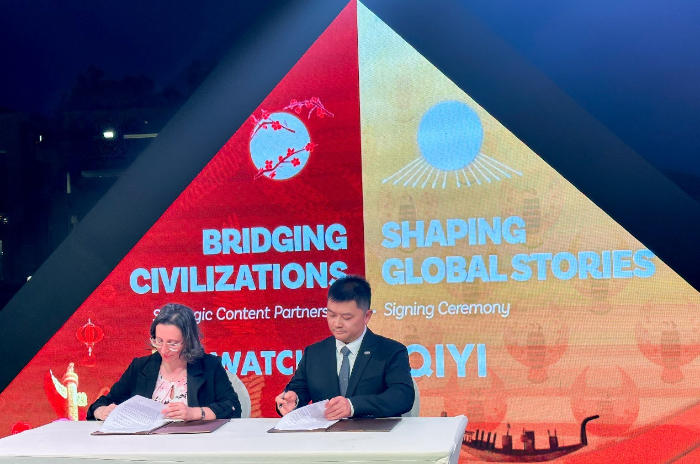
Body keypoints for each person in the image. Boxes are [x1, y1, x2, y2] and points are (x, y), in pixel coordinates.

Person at [275, 275, 414, 419]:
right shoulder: (314, 353)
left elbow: (403, 396)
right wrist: (292, 401)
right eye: (331, 315)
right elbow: (297, 391)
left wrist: (353, 406)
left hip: (374, 431)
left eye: (347, 317)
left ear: (367, 316)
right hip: (325, 433)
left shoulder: (390, 351)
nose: (337, 324)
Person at [87, 303, 241, 421]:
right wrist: (102, 412)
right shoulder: (140, 367)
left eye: (173, 343)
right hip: (147, 446)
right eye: (159, 341)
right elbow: (102, 403)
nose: (164, 350)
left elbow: (233, 406)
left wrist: (195, 413)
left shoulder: (210, 366)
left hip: (194, 444)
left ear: (188, 341)